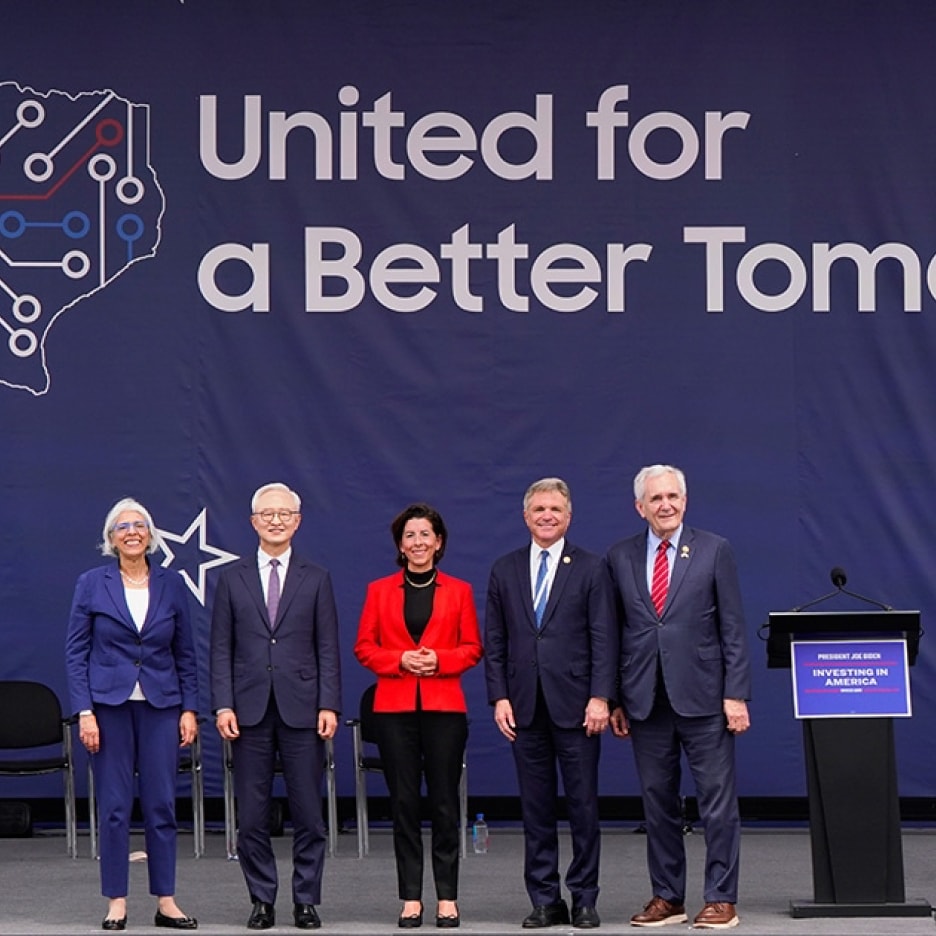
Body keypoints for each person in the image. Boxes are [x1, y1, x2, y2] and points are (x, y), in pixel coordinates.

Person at [606, 464, 752, 931]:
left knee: (716, 802)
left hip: (706, 699)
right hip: (644, 700)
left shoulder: (714, 550)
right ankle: (668, 897)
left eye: (672, 496)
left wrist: (736, 695)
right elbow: (615, 633)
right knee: (657, 803)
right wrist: (614, 699)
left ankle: (721, 897)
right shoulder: (620, 557)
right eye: (655, 499)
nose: (665, 505)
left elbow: (732, 627)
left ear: (684, 501)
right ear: (639, 507)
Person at [484, 478, 617, 930]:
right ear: (525, 516)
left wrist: (601, 696)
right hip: (523, 706)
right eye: (539, 508)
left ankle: (584, 898)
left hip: (579, 706)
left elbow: (604, 637)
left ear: (569, 515)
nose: (547, 515)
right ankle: (545, 898)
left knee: (583, 806)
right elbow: (495, 640)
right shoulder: (504, 569)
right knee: (535, 808)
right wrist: (498, 696)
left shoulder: (591, 568)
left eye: (555, 509)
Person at [210, 482, 341, 931]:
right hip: (247, 712)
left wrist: (330, 703)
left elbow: (328, 647)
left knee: (309, 812)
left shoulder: (317, 577)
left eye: (285, 514)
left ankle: (305, 899)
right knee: (251, 815)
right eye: (268, 514)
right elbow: (220, 649)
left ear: (298, 521)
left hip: (304, 708)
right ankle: (261, 899)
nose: (276, 520)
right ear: (253, 522)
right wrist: (222, 704)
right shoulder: (231, 577)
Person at [65, 497, 199, 932]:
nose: (132, 532)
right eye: (122, 526)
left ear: (151, 534)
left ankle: (167, 901)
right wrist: (84, 711)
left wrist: (190, 709)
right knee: (116, 807)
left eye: (139, 525)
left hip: (163, 707)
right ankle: (117, 902)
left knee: (162, 805)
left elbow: (186, 654)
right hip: (108, 709)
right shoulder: (91, 583)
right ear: (110, 538)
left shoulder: (172, 583)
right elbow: (76, 653)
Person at [354, 503, 483, 929]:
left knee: (445, 804)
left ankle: (447, 897)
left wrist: (439, 661)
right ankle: (411, 897)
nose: (418, 542)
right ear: (400, 545)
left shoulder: (460, 590)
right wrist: (401, 660)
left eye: (425, 534)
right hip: (393, 709)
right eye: (410, 536)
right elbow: (364, 647)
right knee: (404, 803)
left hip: (445, 708)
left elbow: (472, 648)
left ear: (439, 542)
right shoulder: (379, 590)